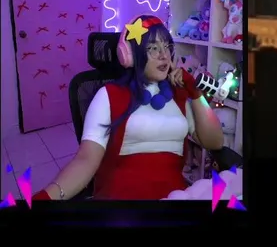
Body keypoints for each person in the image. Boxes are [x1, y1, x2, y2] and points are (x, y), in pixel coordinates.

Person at [33, 16, 226, 201]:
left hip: (174, 195)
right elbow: (85, 161)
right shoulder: (108, 96)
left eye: (167, 47)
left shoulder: (181, 94)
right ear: (131, 55)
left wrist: (196, 94)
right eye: (153, 48)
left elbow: (215, 142)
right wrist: (46, 198)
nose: (164, 55)